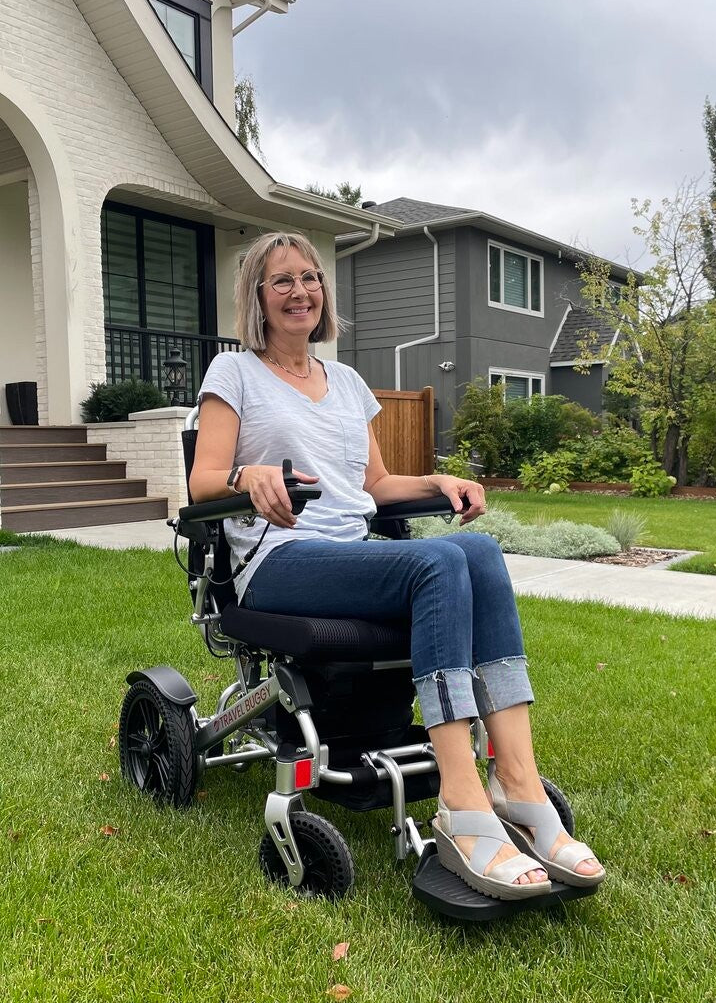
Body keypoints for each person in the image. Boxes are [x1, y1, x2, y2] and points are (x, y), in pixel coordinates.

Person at [190, 232, 605, 901]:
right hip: (279, 560)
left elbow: (375, 487)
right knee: (437, 563)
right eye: (282, 281)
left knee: (479, 550)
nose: (301, 291)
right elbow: (202, 481)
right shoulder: (233, 373)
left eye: (310, 278)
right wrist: (247, 473)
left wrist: (438, 480)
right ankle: (462, 800)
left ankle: (518, 783)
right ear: (257, 298)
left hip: (349, 553)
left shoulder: (348, 383)